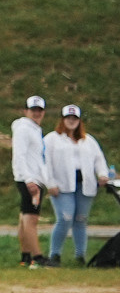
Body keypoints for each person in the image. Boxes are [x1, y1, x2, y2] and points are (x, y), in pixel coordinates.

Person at [43, 104, 111, 267]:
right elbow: (45, 163)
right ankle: (55, 254)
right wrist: (50, 183)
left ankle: (80, 255)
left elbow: (99, 159)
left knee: (81, 220)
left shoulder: (88, 141)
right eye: (68, 118)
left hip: (84, 185)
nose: (71, 121)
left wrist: (102, 174)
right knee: (65, 218)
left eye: (74, 118)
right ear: (62, 120)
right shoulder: (52, 139)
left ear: (79, 121)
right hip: (62, 185)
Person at [12, 95, 50, 268]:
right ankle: (38, 257)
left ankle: (26, 256)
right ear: (26, 111)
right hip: (30, 179)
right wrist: (29, 180)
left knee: (24, 217)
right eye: (33, 110)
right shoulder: (24, 128)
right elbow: (19, 155)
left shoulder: (34, 129)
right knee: (31, 218)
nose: (36, 113)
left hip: (33, 178)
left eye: (39, 110)